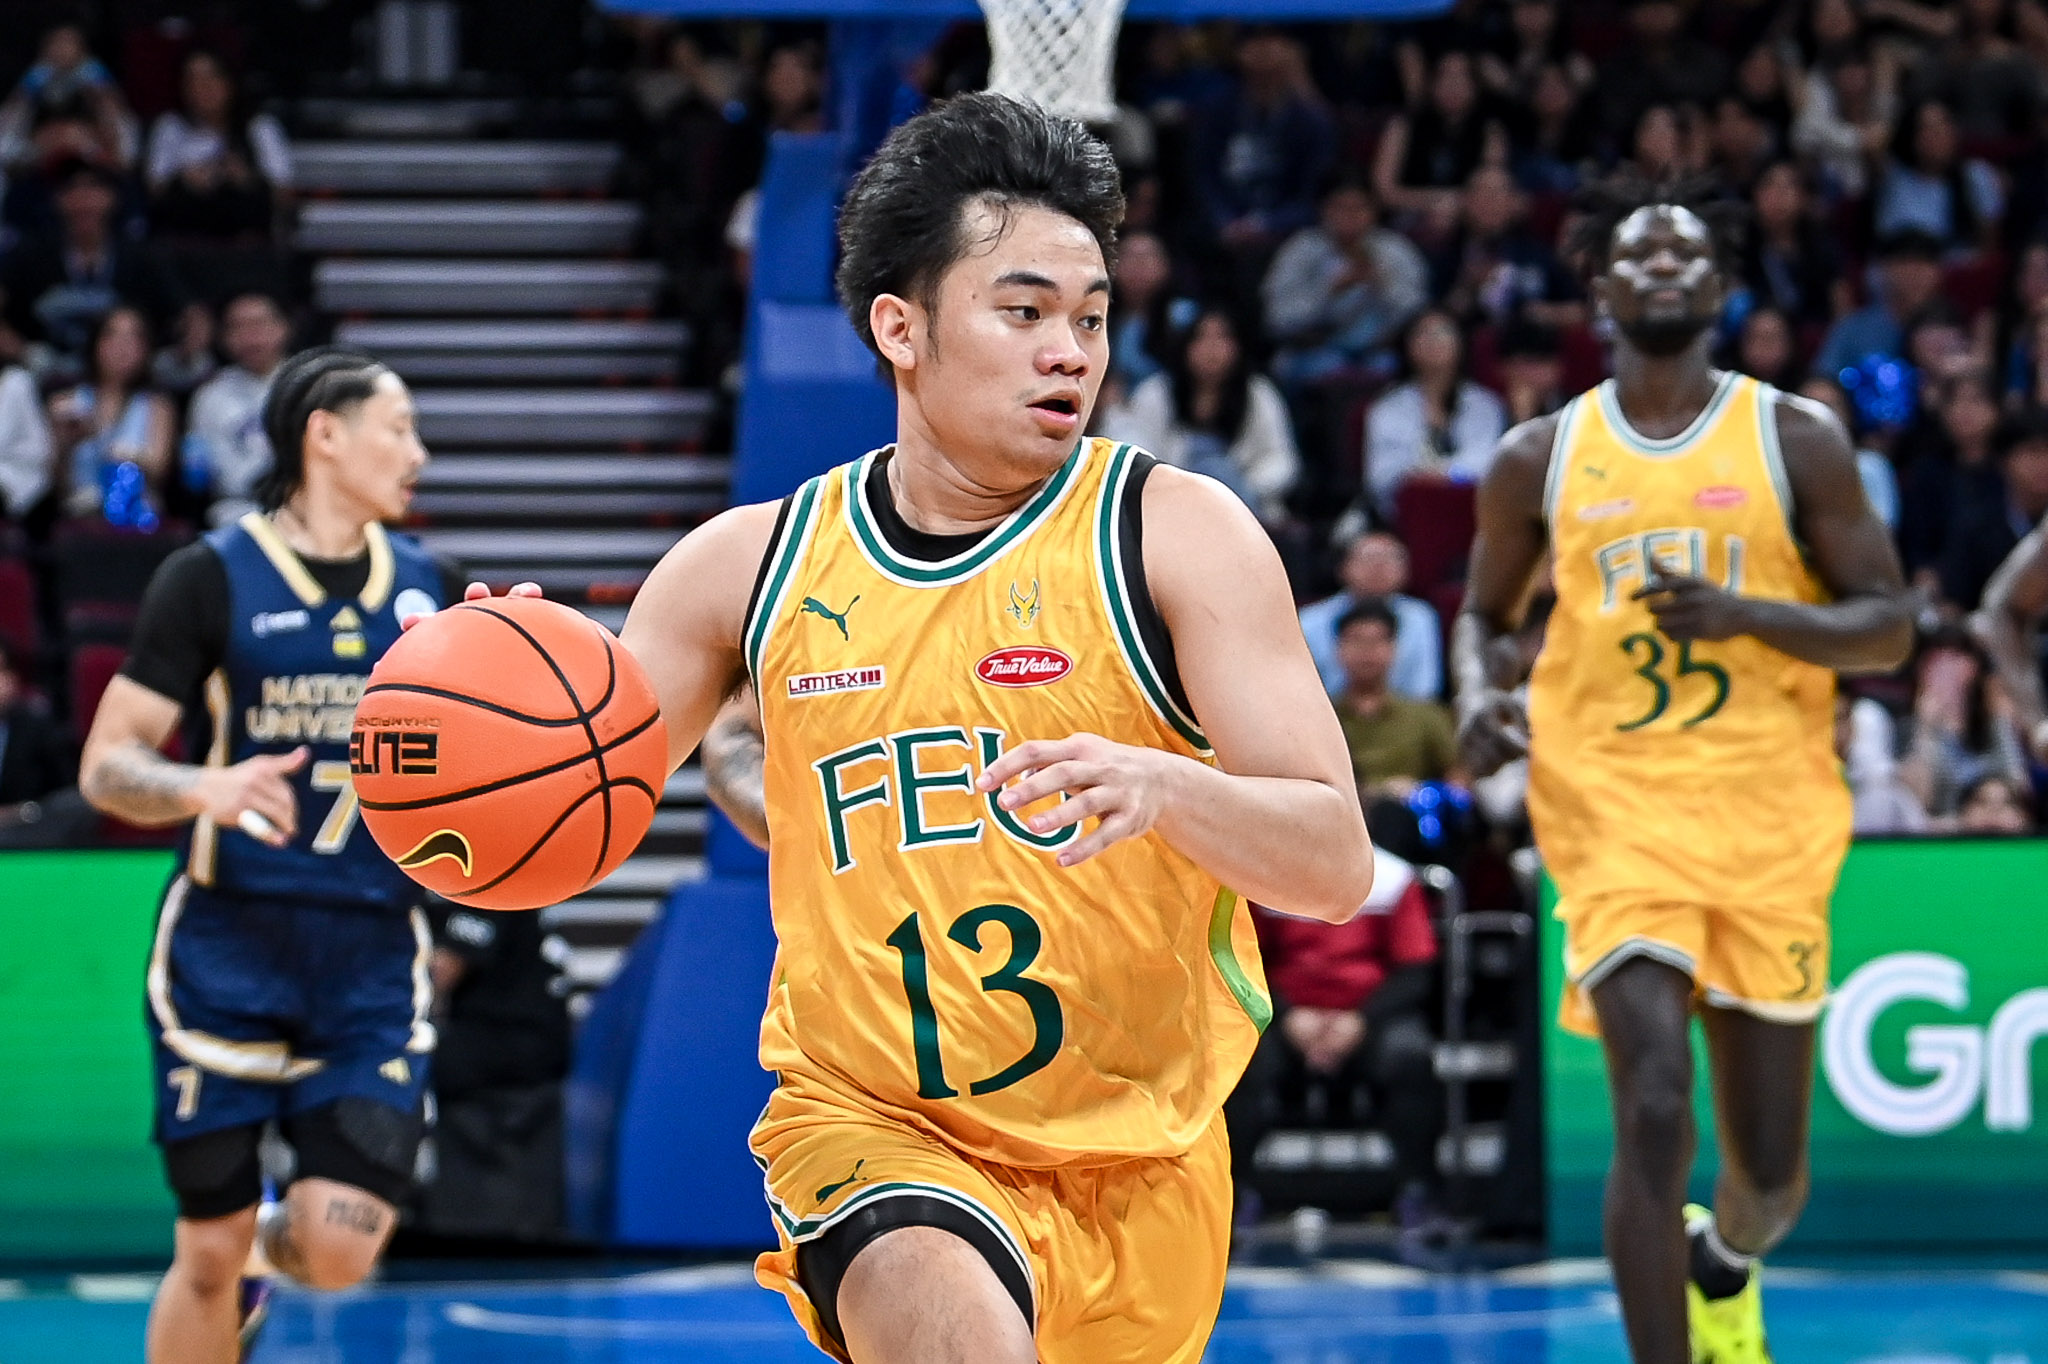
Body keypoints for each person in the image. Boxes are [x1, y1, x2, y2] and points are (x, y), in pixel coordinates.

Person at [613, 93, 1374, 1363]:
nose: (1068, 352)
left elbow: (1334, 864)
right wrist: (504, 722)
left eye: (1089, 318)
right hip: (873, 1126)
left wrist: (1167, 787)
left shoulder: (1176, 533)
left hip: (1143, 1162)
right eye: (1022, 313)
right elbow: (567, 806)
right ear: (899, 328)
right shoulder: (742, 570)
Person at [1455, 174, 1911, 1364]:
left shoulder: (1793, 437)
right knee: (1653, 1102)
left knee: (1769, 1178)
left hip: (1768, 813)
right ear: (1598, 287)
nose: (1662, 263)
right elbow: (1484, 617)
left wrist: (1749, 613)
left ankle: (1724, 1260)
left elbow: (1886, 626)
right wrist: (1478, 693)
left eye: (1686, 252)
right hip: (1609, 804)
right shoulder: (1537, 454)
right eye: (1638, 252)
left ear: (1721, 288)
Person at [76, 348, 468, 1364]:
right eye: (399, 428)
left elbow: (488, 762)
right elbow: (107, 763)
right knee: (203, 1251)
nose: (418, 454)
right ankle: (224, 1257)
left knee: (338, 1251)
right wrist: (197, 787)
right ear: (324, 435)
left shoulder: (430, 590)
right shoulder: (209, 576)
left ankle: (250, 1249)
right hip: (229, 944)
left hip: (369, 952)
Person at [1225, 847, 1442, 1223]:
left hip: (1370, 1017)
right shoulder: (1264, 871)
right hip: (1284, 1015)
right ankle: (1233, 1193)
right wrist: (1287, 1016)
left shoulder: (1393, 879)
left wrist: (1362, 1020)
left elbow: (1415, 970)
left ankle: (1418, 1191)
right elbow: (1242, 958)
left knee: (1410, 1055)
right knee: (1237, 1058)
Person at [1100, 306, 1300, 523]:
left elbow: (1283, 461)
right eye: (1201, 338)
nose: (1211, 349)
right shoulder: (1155, 393)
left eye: (1222, 338)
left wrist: (1240, 486)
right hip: (1170, 506)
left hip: (1244, 508)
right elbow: (1136, 452)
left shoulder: (1258, 393)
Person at [1262, 180, 1429, 387]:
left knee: (1389, 366)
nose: (1350, 216)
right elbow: (1277, 319)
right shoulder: (1300, 250)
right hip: (1312, 350)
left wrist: (1384, 286)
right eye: (1341, 207)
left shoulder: (1396, 251)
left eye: (1359, 208)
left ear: (1375, 211)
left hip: (1381, 352)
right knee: (1325, 366)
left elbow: (1419, 317)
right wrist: (1329, 291)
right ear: (1324, 210)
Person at [1365, 307, 1507, 523]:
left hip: (1471, 513)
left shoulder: (1485, 404)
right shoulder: (1388, 407)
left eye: (1443, 332)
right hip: (1406, 516)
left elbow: (1485, 465)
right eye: (1424, 334)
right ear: (1408, 345)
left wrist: (1444, 475)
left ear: (1460, 342)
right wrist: (1422, 478)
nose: (1433, 341)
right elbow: (1381, 476)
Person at [144, 50, 293, 243]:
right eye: (192, 80)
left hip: (244, 241)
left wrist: (245, 179)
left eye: (210, 78)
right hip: (185, 239)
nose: (202, 88)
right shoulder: (170, 127)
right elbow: (154, 192)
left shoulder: (259, 127)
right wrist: (185, 180)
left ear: (229, 83)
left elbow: (283, 194)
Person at [48, 305, 177, 524]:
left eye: (133, 338)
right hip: (79, 516)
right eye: (112, 336)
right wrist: (67, 445)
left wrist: (124, 455)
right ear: (95, 343)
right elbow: (50, 479)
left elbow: (159, 470)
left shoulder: (158, 406)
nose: (122, 347)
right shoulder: (65, 403)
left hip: (138, 519)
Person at [186, 292, 292, 527]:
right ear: (224, 337)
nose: (250, 337)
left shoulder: (308, 385)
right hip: (232, 511)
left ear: (282, 328)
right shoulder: (209, 395)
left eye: (258, 324)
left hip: (297, 511)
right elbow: (196, 472)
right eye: (238, 327)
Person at [1299, 530, 1443, 700]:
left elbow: (1425, 687)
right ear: (1343, 567)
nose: (1378, 568)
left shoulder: (1422, 617)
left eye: (1389, 560)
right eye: (1369, 559)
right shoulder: (1308, 620)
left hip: (1405, 712)